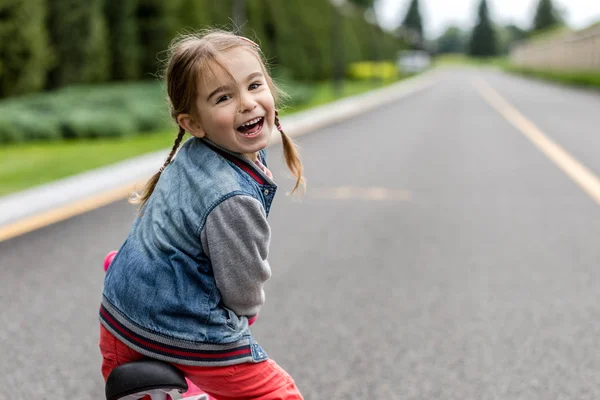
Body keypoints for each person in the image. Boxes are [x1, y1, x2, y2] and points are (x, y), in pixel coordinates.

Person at [99, 29, 306, 399]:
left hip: (119, 318)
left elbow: (162, 231)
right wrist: (245, 312)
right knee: (279, 394)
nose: (247, 103)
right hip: (178, 328)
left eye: (254, 85)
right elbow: (242, 290)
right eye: (224, 97)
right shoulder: (230, 197)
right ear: (193, 123)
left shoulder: (192, 157)